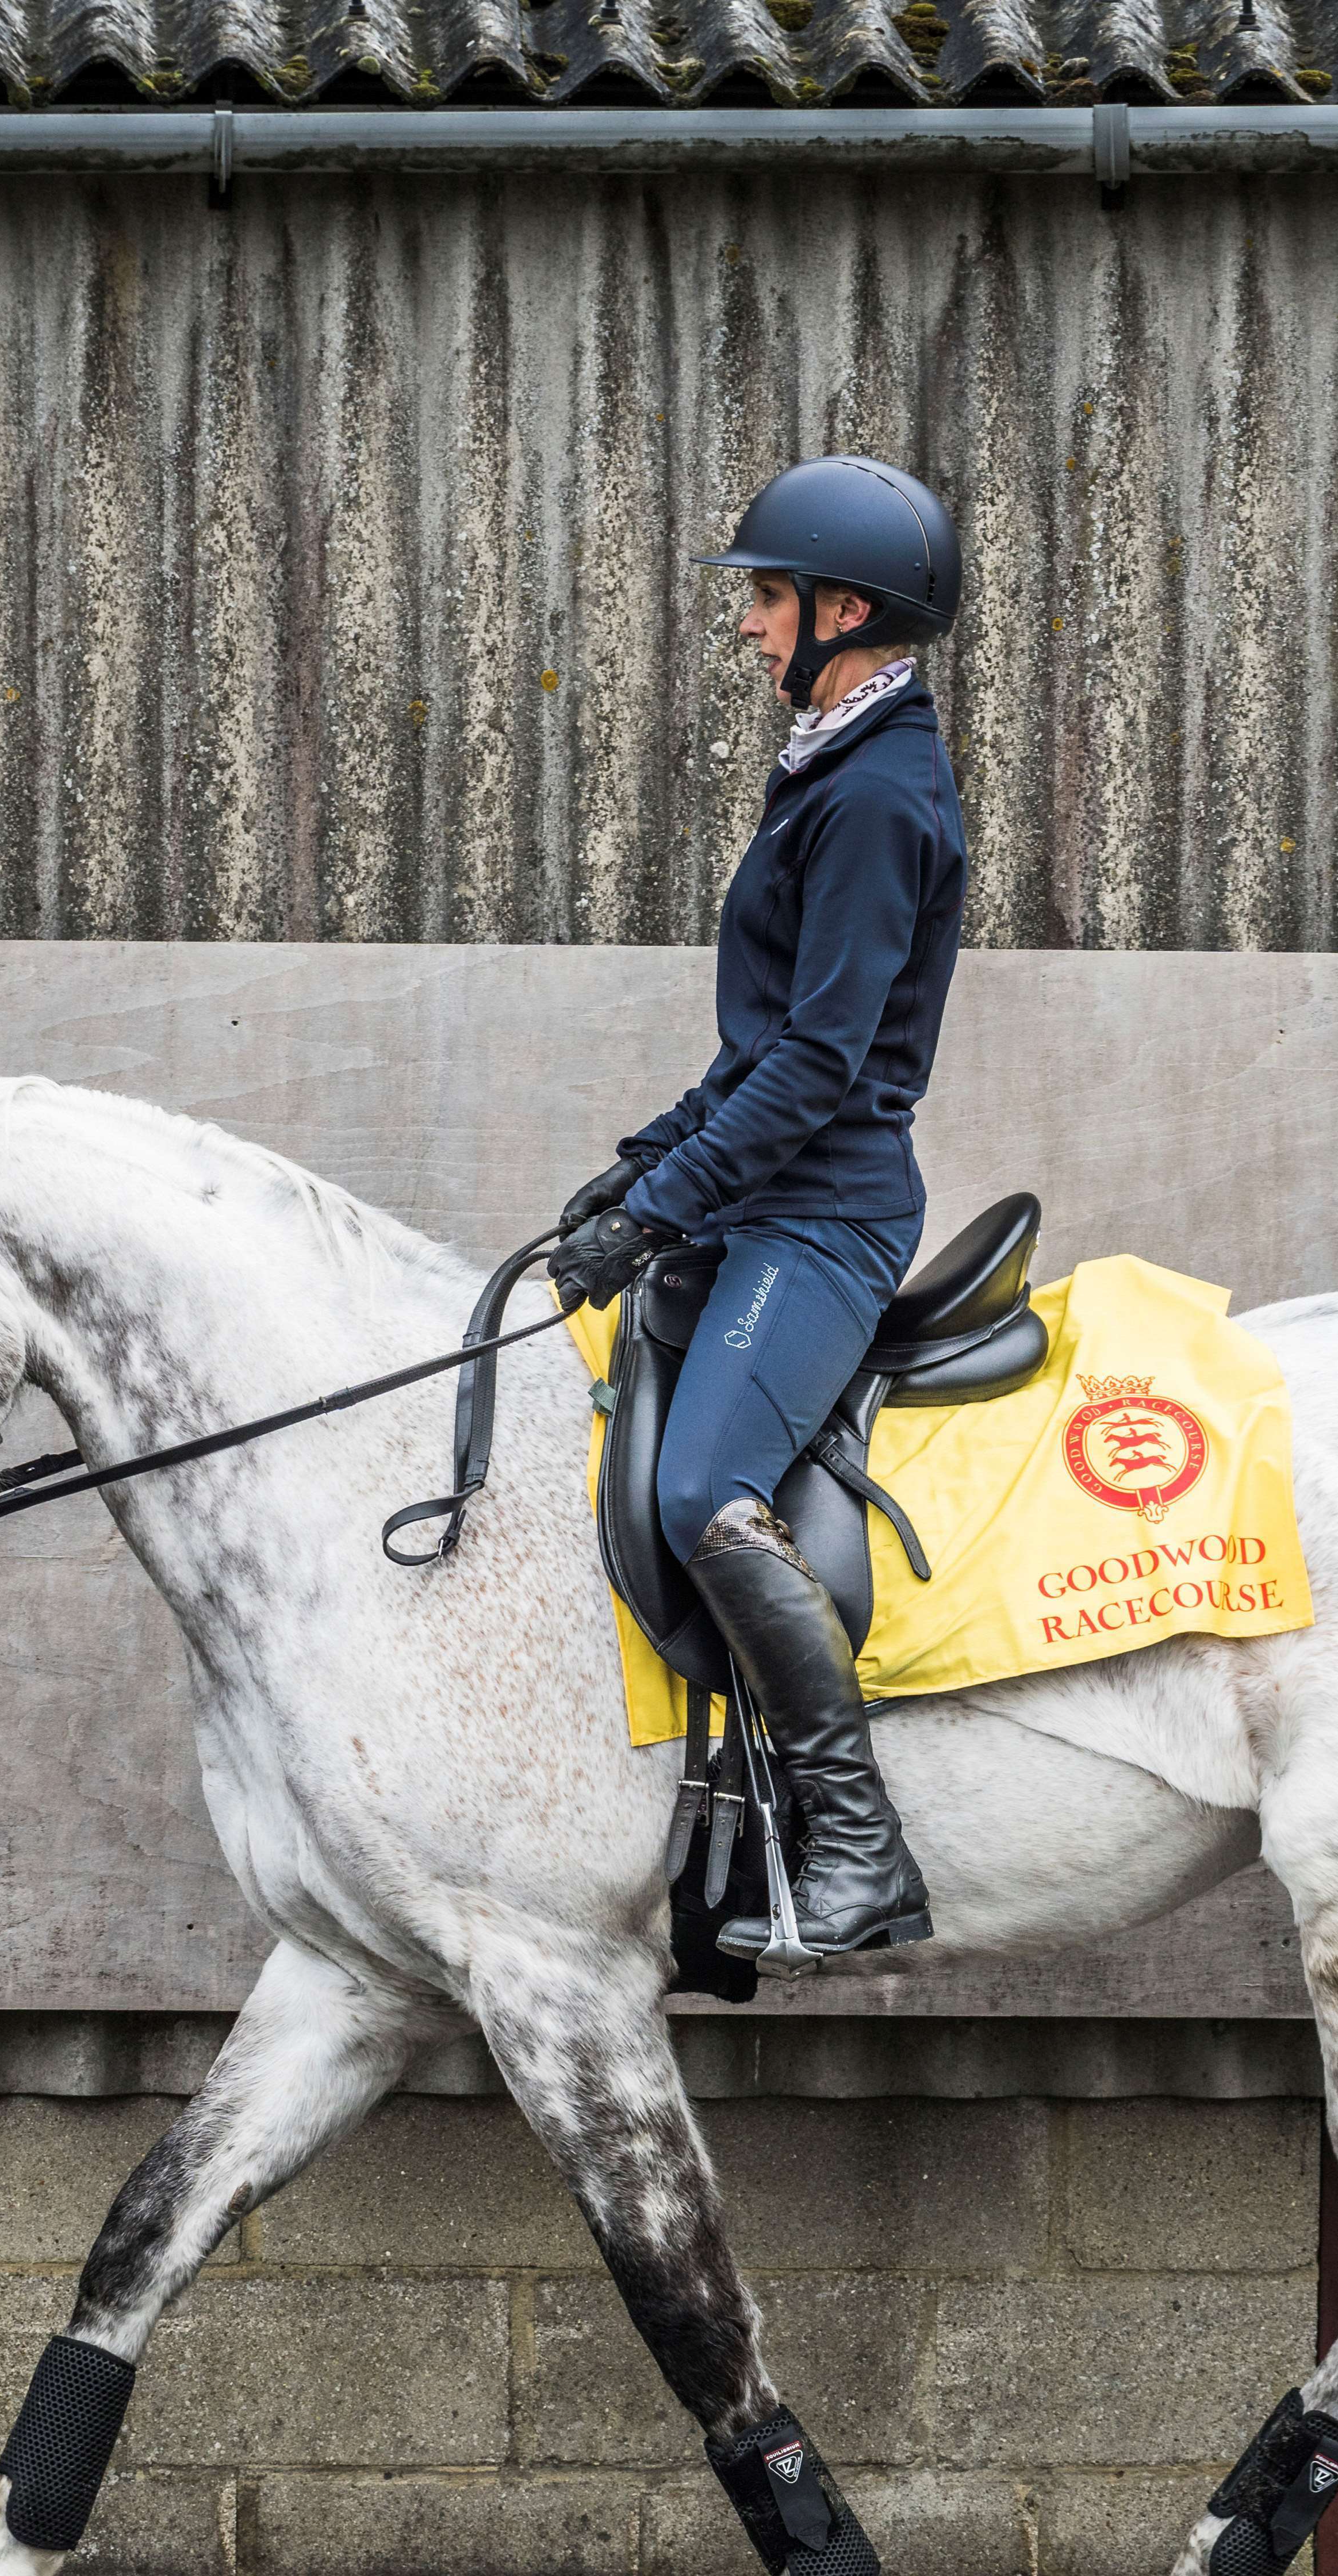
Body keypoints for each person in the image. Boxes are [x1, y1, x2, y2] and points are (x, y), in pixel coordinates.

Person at [543, 455, 967, 1969]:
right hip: (766, 1187)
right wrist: (637, 1166)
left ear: (843, 611)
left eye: (767, 597)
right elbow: (754, 1050)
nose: (746, 627)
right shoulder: (834, 766)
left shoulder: (877, 798)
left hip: (824, 1216)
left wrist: (666, 1207)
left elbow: (818, 1064)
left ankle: (856, 1850)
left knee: (697, 1486)